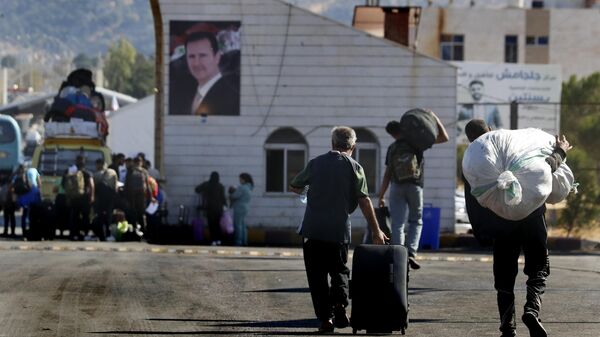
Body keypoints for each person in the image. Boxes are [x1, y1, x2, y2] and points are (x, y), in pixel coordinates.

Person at [463, 119, 571, 337]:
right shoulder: (514, 149)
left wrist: (482, 234)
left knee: (504, 274)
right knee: (538, 267)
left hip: (501, 224)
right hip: (533, 218)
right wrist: (560, 151)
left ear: (470, 140)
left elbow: (472, 200)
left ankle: (507, 326)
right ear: (491, 130)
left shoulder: (475, 165)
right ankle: (532, 309)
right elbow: (544, 168)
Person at [290, 126, 388, 334]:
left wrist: (309, 191)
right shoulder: (355, 167)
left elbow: (295, 185)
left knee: (316, 278)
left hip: (312, 230)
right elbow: (364, 200)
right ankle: (340, 306)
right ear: (353, 146)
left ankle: (326, 321)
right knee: (339, 271)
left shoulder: (315, 163)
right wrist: (376, 230)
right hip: (338, 231)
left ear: (332, 143)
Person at [378, 113, 449, 270]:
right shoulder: (415, 143)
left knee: (397, 223)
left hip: (396, 187)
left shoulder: (392, 148)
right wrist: (434, 118)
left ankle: (398, 254)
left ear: (391, 134)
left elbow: (387, 174)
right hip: (415, 185)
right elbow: (444, 138)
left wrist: (381, 195)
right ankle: (411, 253)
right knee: (416, 220)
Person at [185, 31, 240, 116]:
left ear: (217, 57)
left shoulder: (232, 98)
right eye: (191, 56)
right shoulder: (186, 92)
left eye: (202, 55)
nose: (196, 63)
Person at [62, 155, 94, 241]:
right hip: (84, 198)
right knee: (85, 216)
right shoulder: (88, 173)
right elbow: (91, 185)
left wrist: (69, 195)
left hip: (73, 198)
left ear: (76, 161)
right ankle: (84, 233)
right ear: (84, 163)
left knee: (74, 216)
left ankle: (73, 234)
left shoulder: (69, 172)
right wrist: (92, 196)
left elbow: (64, 185)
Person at [195, 171, 227, 245]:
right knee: (217, 224)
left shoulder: (207, 184)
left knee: (211, 225)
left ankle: (213, 240)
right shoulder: (220, 186)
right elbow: (223, 198)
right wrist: (225, 205)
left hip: (209, 208)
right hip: (218, 208)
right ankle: (219, 239)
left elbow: (197, 189)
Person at [93, 158, 118, 240]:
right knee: (108, 216)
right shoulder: (112, 172)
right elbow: (115, 187)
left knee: (99, 216)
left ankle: (99, 234)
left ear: (99, 164)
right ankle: (108, 234)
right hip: (110, 198)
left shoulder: (96, 174)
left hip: (100, 200)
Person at [124, 157, 149, 232]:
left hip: (132, 195)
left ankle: (134, 229)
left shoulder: (130, 170)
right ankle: (143, 230)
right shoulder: (144, 171)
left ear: (134, 162)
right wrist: (150, 196)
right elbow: (147, 185)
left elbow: (126, 183)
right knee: (141, 213)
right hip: (141, 195)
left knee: (133, 212)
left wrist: (125, 195)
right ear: (141, 162)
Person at [228, 173, 254, 246]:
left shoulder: (242, 188)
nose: (239, 181)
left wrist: (231, 191)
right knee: (243, 225)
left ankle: (238, 242)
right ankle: (244, 241)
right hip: (246, 207)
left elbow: (234, 196)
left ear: (244, 179)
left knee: (237, 225)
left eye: (240, 179)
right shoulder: (249, 187)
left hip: (239, 208)